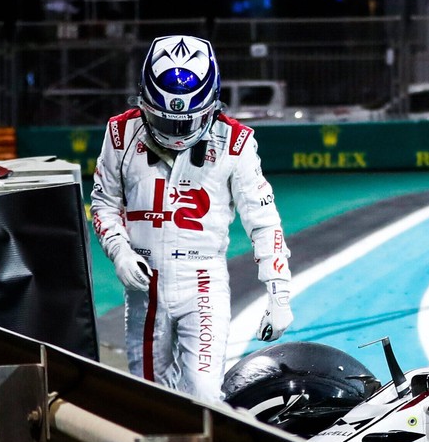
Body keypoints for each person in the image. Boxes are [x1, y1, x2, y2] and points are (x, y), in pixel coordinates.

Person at [90, 34, 292, 402]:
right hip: (143, 285)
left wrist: (279, 292)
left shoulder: (236, 142)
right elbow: (103, 203)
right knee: (150, 399)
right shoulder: (119, 133)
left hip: (203, 280)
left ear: (211, 105)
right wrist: (119, 251)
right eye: (163, 118)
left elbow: (263, 220)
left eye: (185, 122)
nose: (175, 132)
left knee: (202, 392)